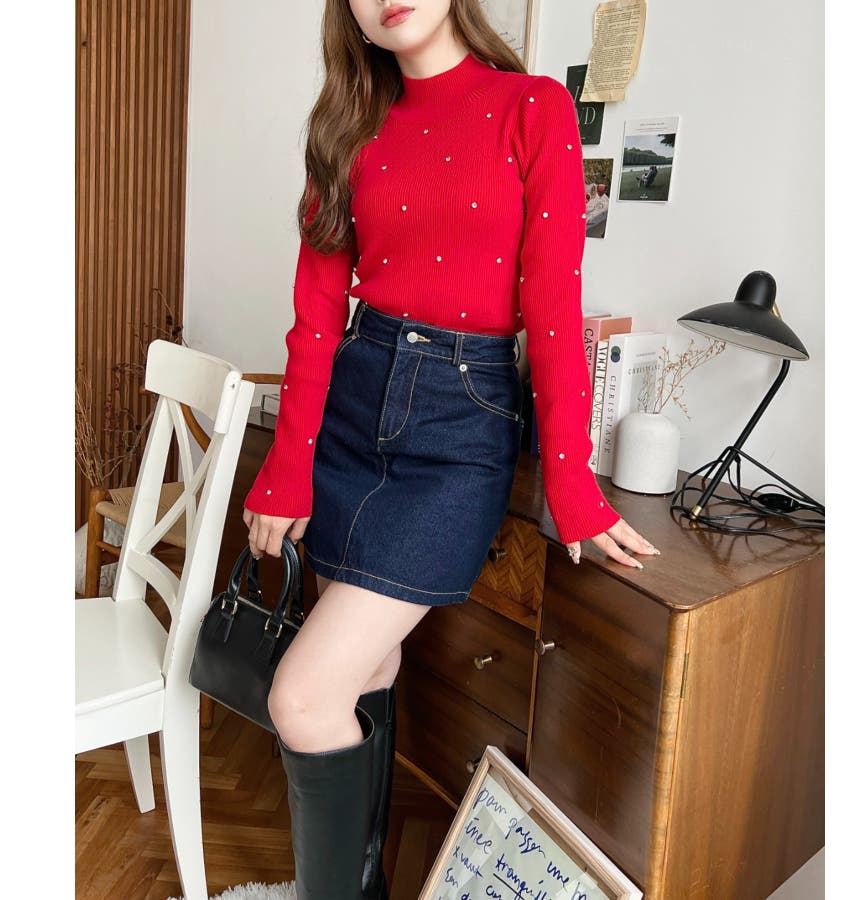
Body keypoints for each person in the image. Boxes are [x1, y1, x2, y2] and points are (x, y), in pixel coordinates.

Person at [241, 2, 660, 898]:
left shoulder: (532, 107)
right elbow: (316, 317)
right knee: (365, 670)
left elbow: (553, 308)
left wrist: (572, 484)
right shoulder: (346, 125)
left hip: (460, 427)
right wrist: (285, 469)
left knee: (301, 700)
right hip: (352, 406)